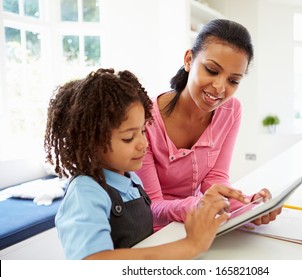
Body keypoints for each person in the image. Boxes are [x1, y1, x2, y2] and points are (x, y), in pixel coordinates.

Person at [44, 68, 250, 260]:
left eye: (142, 130)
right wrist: (190, 245)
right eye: (128, 138)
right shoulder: (86, 192)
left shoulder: (131, 180)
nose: (143, 143)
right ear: (89, 141)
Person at [136, 19, 282, 231]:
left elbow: (215, 178)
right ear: (188, 60)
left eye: (233, 81)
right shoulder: (143, 117)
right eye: (212, 70)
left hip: (198, 223)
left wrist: (248, 206)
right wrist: (200, 205)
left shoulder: (231, 110)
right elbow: (152, 207)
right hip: (155, 233)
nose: (219, 87)